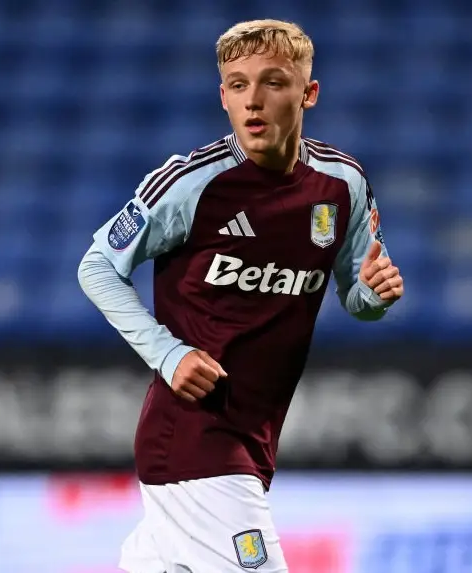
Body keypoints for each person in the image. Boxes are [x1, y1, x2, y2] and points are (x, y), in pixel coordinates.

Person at [78, 18, 404, 572]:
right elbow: (97, 267)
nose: (253, 101)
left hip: (251, 440)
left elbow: (356, 296)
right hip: (196, 438)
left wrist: (376, 295)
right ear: (222, 96)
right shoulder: (191, 183)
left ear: (308, 93)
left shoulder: (341, 185)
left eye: (273, 83)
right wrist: (168, 353)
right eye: (236, 84)